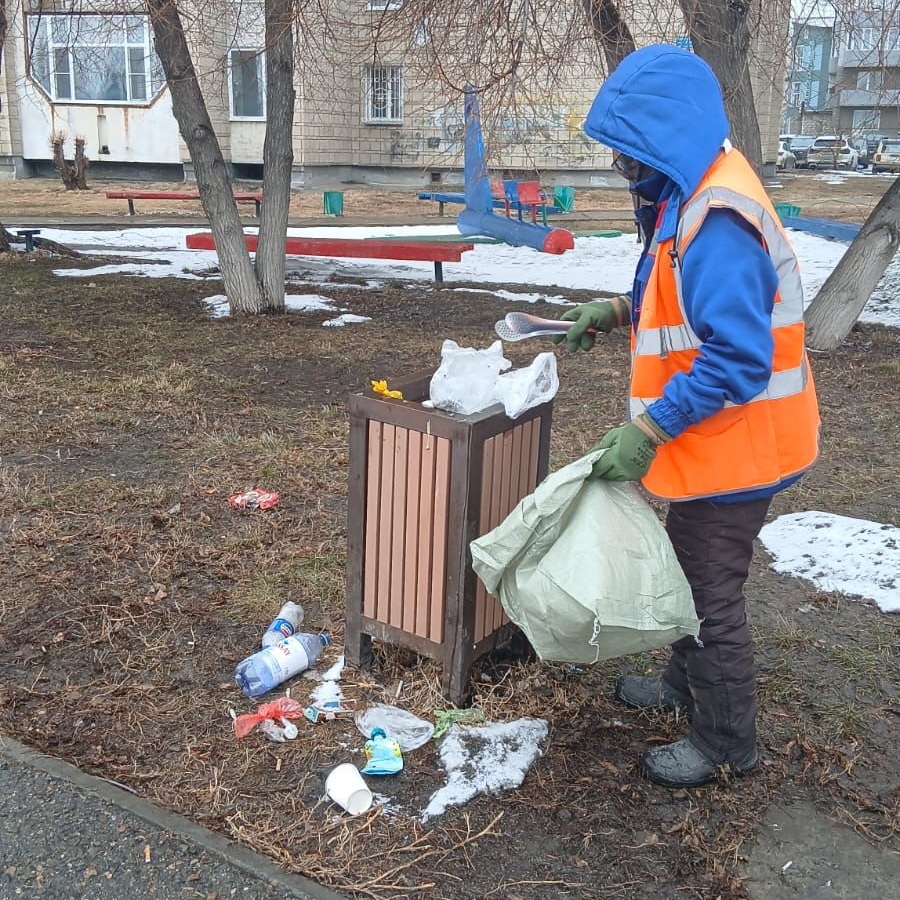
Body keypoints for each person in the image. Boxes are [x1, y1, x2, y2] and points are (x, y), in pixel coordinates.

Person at [556, 45, 820, 787]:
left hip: (742, 449)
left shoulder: (719, 216)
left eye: (625, 148)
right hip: (716, 447)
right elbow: (685, 307)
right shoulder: (689, 189)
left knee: (710, 595)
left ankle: (726, 742)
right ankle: (682, 687)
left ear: (665, 136)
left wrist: (647, 430)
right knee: (688, 570)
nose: (617, 164)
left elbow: (737, 359)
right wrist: (616, 310)